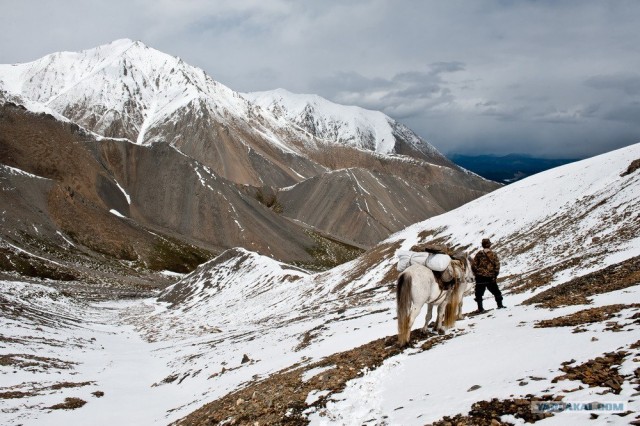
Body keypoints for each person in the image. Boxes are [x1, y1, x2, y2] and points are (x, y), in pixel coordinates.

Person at [471, 238, 504, 312]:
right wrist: (495, 274)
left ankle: (480, 308)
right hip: (490, 277)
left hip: (480, 277)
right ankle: (500, 305)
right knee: (496, 291)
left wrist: (477, 273)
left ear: (482, 245)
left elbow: (473, 265)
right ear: (489, 245)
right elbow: (497, 265)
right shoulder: (493, 254)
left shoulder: (479, 254)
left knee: (479, 293)